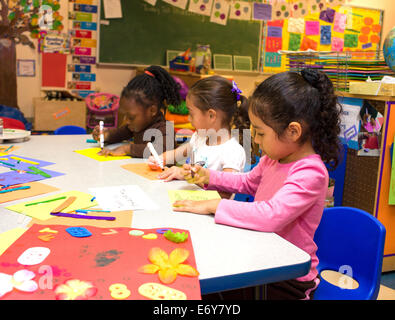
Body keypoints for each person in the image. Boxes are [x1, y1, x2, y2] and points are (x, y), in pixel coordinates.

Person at [173, 69, 342, 300]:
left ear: (293, 131)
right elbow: (247, 182)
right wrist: (209, 177)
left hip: (288, 277)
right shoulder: (273, 158)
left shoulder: (311, 173)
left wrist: (216, 206)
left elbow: (271, 215)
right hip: (261, 256)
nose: (254, 139)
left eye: (260, 133)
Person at [147, 75, 250, 183]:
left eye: (191, 114)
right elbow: (175, 154)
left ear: (211, 116)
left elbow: (225, 192)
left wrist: (184, 174)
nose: (188, 118)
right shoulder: (199, 138)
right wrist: (159, 159)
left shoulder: (232, 152)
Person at [91, 65, 181, 157]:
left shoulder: (166, 129)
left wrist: (127, 149)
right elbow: (119, 134)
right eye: (125, 116)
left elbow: (162, 150)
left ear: (152, 110)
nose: (126, 121)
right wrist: (106, 135)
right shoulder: (136, 126)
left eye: (131, 117)